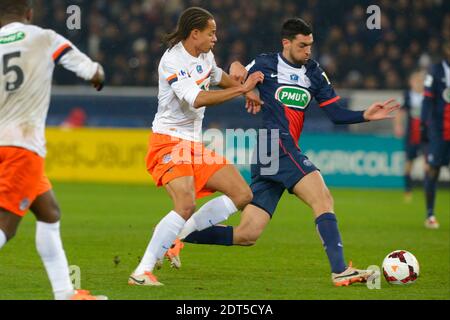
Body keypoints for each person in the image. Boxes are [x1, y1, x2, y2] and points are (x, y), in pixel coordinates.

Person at [172, 18, 401, 287]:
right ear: (286, 43)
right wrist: (236, 65)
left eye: (310, 45)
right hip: (275, 144)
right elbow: (235, 75)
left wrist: (365, 115)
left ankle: (175, 235)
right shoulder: (266, 63)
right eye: (302, 45)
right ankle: (340, 270)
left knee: (248, 233)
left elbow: (335, 113)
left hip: (274, 151)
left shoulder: (314, 72)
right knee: (323, 199)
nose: (308, 51)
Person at [127, 7, 264, 286]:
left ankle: (176, 234)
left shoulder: (204, 54)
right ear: (195, 34)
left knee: (242, 194)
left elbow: (216, 75)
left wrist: (245, 89)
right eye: (211, 33)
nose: (216, 38)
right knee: (186, 203)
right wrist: (241, 89)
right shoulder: (172, 61)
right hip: (168, 140)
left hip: (192, 142)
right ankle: (142, 271)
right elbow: (197, 99)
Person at [0, 0, 106, 300]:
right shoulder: (44, 37)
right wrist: (97, 74)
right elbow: (85, 67)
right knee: (6, 225)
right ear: (29, 14)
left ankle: (65, 293)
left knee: (49, 212)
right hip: (22, 146)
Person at [421, 41, 450, 229]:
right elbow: (427, 99)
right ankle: (430, 214)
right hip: (440, 130)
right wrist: (424, 125)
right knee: (434, 170)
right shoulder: (436, 70)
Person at [393, 70, 427, 202]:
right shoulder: (407, 95)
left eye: (421, 80)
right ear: (411, 82)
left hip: (427, 133)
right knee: (409, 163)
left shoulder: (429, 95)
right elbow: (401, 112)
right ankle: (408, 191)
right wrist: (398, 126)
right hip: (412, 133)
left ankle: (428, 189)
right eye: (416, 80)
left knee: (428, 163)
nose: (419, 83)